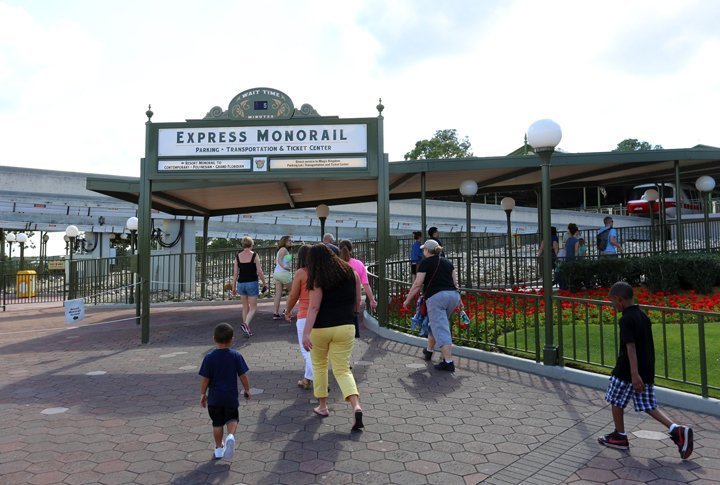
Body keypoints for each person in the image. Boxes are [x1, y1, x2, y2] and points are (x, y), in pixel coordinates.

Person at [598, 282, 694, 459]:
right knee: (648, 405)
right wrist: (643, 372)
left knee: (615, 399)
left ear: (620, 299)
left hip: (627, 371)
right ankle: (677, 430)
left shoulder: (626, 319)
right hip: (646, 368)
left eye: (613, 302)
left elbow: (631, 347)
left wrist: (634, 374)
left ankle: (620, 436)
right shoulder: (643, 317)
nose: (613, 305)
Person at [301, 244, 364, 431]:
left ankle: (322, 406)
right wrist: (350, 313)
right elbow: (358, 302)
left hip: (321, 329)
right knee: (343, 369)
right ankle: (356, 406)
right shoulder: (350, 273)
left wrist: (305, 333)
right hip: (346, 326)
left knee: (320, 366)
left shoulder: (317, 277)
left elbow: (314, 307)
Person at [402, 239, 461, 372]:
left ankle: (448, 362)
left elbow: (418, 283)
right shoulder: (448, 262)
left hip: (436, 297)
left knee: (440, 327)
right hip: (452, 296)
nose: (423, 251)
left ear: (428, 251)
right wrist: (460, 301)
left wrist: (407, 299)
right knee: (433, 323)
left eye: (424, 249)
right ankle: (429, 350)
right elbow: (455, 283)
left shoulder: (425, 263)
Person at [199, 323, 251, 460]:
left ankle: (218, 448)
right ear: (232, 339)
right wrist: (247, 389)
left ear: (214, 339)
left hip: (215, 398)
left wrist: (203, 394)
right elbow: (243, 375)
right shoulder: (236, 356)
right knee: (232, 418)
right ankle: (231, 436)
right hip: (230, 396)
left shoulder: (209, 357)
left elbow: (205, 379)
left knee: (217, 423)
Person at [284, 244, 313, 389]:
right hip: (320, 316)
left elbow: (293, 295)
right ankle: (306, 380)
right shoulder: (321, 272)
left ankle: (319, 379)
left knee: (306, 349)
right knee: (316, 351)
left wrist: (287, 311)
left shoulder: (301, 272)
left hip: (304, 315)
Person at [338, 239, 378, 337]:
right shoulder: (359, 264)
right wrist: (372, 300)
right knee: (351, 333)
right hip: (353, 302)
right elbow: (366, 284)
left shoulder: (335, 264)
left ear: (339, 249)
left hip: (337, 302)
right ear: (351, 250)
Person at [232, 236, 267, 338]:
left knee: (245, 307)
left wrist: (234, 287)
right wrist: (264, 283)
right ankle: (246, 325)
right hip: (252, 283)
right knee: (253, 307)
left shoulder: (237, 256)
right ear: (251, 244)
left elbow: (235, 273)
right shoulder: (254, 255)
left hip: (241, 284)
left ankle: (246, 329)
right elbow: (259, 271)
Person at [272, 235, 293, 320]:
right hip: (283, 273)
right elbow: (279, 260)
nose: (291, 242)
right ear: (284, 241)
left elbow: (282, 260)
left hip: (277, 273)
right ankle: (287, 310)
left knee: (278, 294)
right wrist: (284, 267)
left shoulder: (283, 250)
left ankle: (275, 313)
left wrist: (286, 265)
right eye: (289, 241)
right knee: (292, 291)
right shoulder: (283, 249)